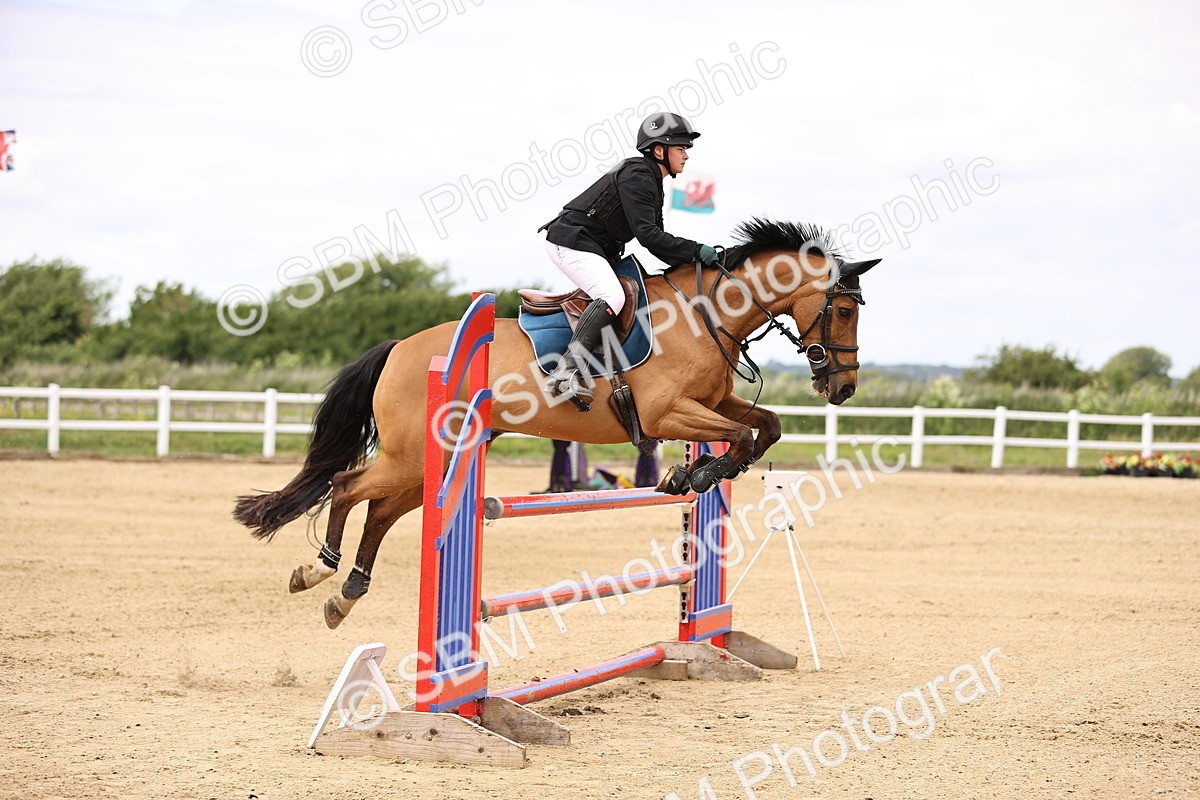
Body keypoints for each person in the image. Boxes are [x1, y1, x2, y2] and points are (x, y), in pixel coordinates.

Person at [538, 112, 722, 411]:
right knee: (612, 295)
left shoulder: (651, 179)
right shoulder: (637, 174)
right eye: (681, 148)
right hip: (570, 243)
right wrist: (695, 249)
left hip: (594, 247)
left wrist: (696, 258)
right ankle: (565, 373)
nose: (687, 155)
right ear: (659, 150)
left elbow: (657, 240)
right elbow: (648, 236)